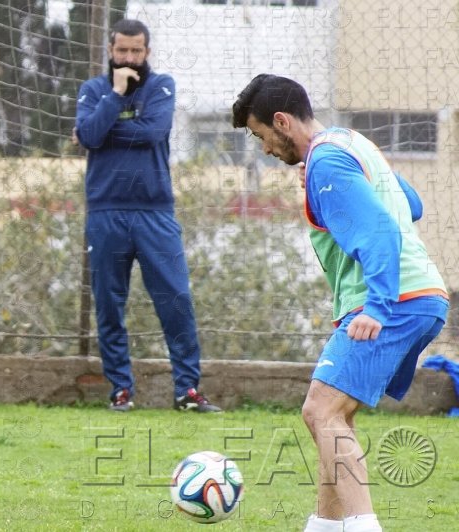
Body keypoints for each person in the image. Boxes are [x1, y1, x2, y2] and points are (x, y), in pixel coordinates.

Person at [232, 74, 448, 532]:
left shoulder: (326, 163)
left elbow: (381, 232)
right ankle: (325, 527)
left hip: (395, 301)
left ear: (282, 121)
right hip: (421, 295)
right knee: (336, 418)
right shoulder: (350, 143)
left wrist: (378, 307)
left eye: (260, 135)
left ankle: (364, 527)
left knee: (320, 411)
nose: (265, 149)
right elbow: (410, 204)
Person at [75, 19, 220, 413]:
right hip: (106, 212)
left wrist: (101, 130)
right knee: (109, 304)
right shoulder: (93, 90)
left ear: (147, 52)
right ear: (110, 50)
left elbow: (152, 132)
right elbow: (89, 136)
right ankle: (121, 390)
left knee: (176, 300)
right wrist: (115, 97)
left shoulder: (161, 86)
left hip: (155, 212)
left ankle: (187, 391)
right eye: (122, 50)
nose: (128, 58)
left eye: (136, 51)